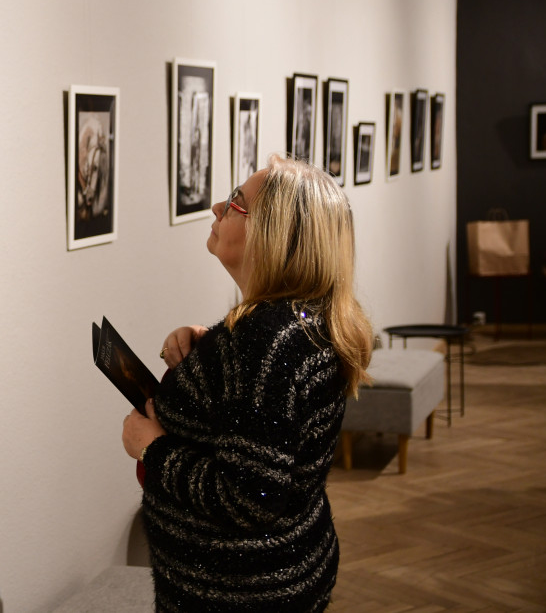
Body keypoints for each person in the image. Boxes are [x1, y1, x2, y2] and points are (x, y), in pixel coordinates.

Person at [122, 154, 372, 612]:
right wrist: (206, 348)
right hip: (288, 568)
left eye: (236, 201)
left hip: (237, 592)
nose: (218, 206)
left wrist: (150, 446)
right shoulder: (305, 319)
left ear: (272, 233)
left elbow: (248, 498)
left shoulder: (262, 341)